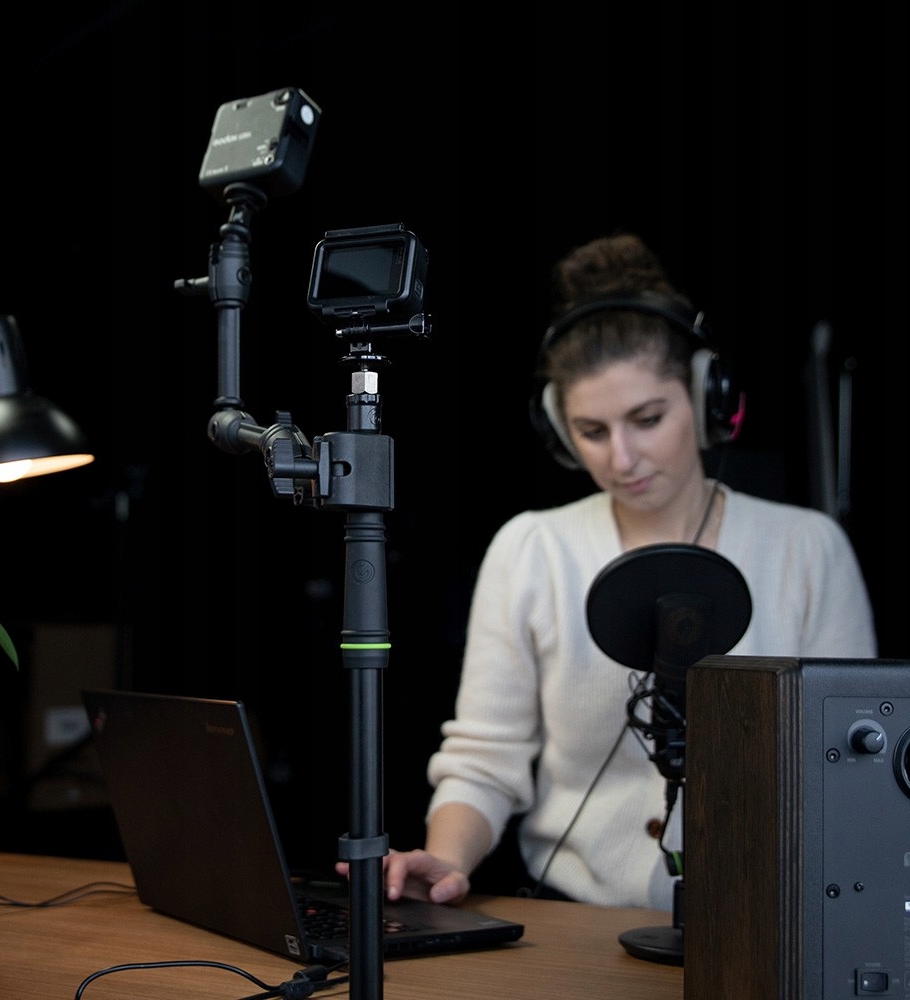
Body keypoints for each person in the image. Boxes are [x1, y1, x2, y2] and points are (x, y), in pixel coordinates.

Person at [338, 231, 878, 910]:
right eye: (593, 431)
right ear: (559, 430)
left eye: (647, 419)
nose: (622, 458)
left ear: (707, 399)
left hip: (768, 923)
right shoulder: (532, 549)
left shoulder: (808, 549)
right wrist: (445, 862)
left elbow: (854, 770)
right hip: (576, 924)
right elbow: (484, 760)